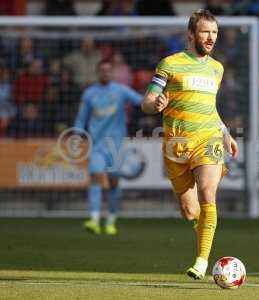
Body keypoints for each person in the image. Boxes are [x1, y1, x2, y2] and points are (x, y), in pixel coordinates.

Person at [141, 9, 238, 280]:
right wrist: (156, 103)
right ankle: (203, 232)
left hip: (208, 140)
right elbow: (147, 101)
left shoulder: (217, 68)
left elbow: (211, 107)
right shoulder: (170, 64)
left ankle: (202, 261)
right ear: (191, 34)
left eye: (215, 33)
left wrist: (225, 132)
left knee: (208, 193)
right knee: (189, 210)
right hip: (177, 145)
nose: (211, 38)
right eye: (205, 32)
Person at [74, 59, 143, 235]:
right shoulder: (89, 94)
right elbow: (82, 118)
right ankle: (94, 219)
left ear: (112, 73)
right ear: (98, 73)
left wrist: (156, 97)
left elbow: (140, 101)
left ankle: (111, 220)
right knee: (96, 177)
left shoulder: (121, 91)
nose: (105, 73)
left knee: (113, 182)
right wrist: (76, 133)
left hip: (116, 146)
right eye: (102, 70)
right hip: (97, 145)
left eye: (108, 70)